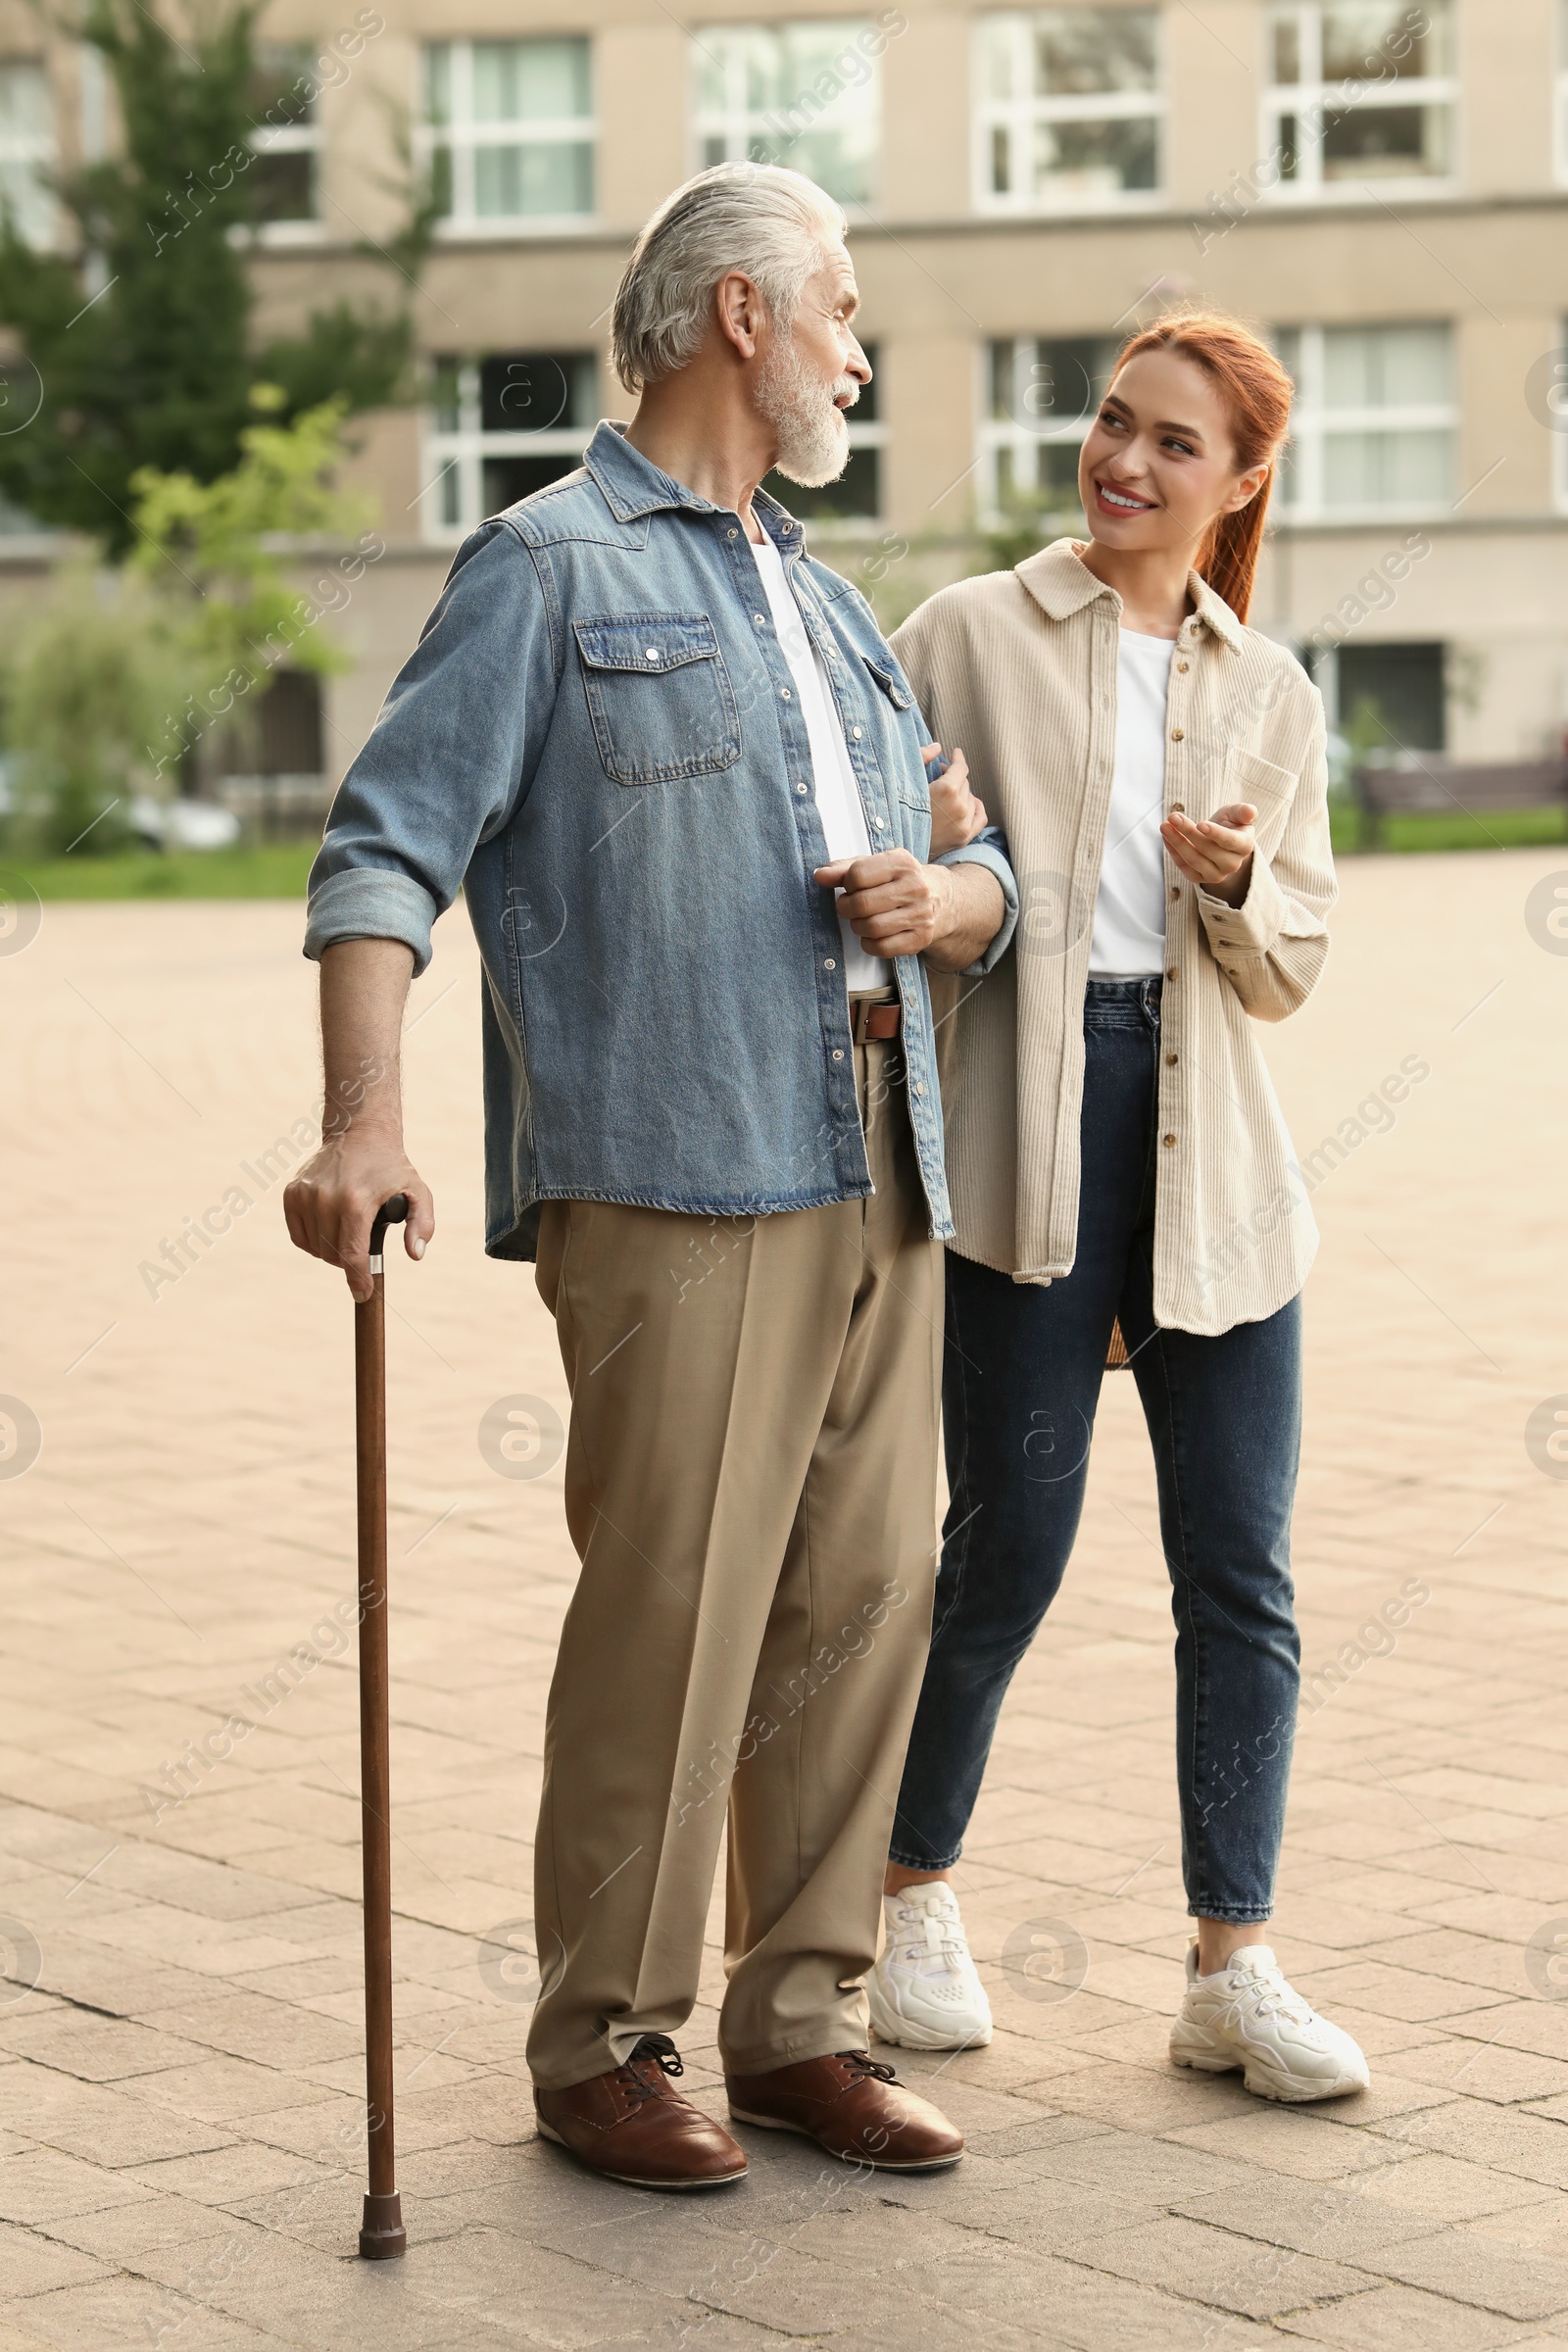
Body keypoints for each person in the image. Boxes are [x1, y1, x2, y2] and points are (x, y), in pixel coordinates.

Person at [283, 163, 1018, 2190]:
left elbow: (979, 879)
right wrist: (366, 1119)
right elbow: (381, 851)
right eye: (841, 307)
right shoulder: (544, 568)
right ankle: (604, 2042)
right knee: (677, 1611)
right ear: (739, 320)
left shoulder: (830, 600)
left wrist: (949, 885)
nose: (859, 347)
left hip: (884, 1164)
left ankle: (800, 2025)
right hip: (676, 1178)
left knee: (858, 1605)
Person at [865, 311, 1371, 2105]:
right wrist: (932, 850)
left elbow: (1291, 965)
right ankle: (904, 1897)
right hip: (1029, 1130)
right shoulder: (967, 633)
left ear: (1237, 482)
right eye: (1111, 421)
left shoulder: (1270, 688)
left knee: (1243, 1577)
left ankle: (1231, 1966)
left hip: (1215, 1158)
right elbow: (876, 846)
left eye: (1173, 442)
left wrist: (1235, 891)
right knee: (1004, 1550)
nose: (1124, 461)